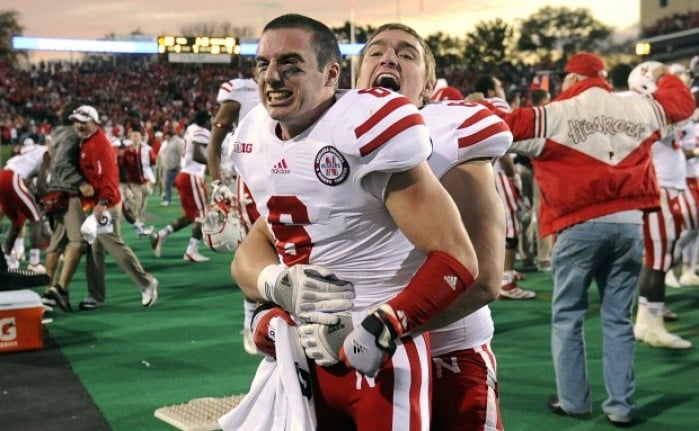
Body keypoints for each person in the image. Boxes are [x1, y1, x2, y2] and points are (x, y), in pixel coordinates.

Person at [225, 13, 478, 430]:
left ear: (331, 75)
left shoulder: (367, 126)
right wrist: (277, 286)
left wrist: (380, 328)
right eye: (263, 64)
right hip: (302, 351)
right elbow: (252, 249)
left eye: (290, 64)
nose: (272, 77)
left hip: (381, 356)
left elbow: (457, 259)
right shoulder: (255, 134)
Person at [503, 52, 695, 426]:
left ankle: (574, 401)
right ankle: (621, 406)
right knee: (618, 319)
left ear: (573, 79)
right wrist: (664, 73)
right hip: (630, 225)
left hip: (579, 226)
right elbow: (681, 103)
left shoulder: (554, 114)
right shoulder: (639, 108)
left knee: (568, 316)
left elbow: (499, 127)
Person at [353, 23, 509, 431]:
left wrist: (379, 329)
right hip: (350, 354)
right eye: (376, 51)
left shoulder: (451, 133)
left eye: (406, 54)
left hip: (447, 353)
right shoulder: (325, 135)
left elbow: (486, 278)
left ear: (429, 86)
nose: (389, 58)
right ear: (354, 76)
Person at [627, 62, 693, 349]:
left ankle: (646, 321)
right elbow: (684, 108)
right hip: (658, 189)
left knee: (660, 259)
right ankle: (652, 325)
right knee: (658, 260)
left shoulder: (653, 107)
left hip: (667, 187)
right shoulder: (648, 110)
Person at [71, 105, 159, 309]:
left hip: (105, 204)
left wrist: (102, 203)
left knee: (114, 246)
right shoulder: (89, 141)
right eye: (76, 121)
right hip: (99, 203)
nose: (79, 125)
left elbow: (109, 177)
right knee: (95, 249)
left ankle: (146, 283)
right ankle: (95, 295)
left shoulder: (98, 145)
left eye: (83, 122)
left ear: (94, 123)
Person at [207, 77, 261, 355]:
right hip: (252, 179)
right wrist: (218, 186)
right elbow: (214, 142)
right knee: (254, 250)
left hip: (290, 171)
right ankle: (250, 318)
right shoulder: (240, 89)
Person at [474, 73, 536, 299]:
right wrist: (513, 173)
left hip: (481, 172)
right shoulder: (495, 105)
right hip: (498, 172)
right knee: (510, 225)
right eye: (499, 85)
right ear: (490, 91)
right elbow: (501, 144)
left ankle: (500, 272)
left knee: (493, 225)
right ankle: (505, 279)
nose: (502, 89)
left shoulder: (475, 105)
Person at [39, 101, 90, 312]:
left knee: (57, 242)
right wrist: (81, 182)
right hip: (68, 192)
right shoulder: (71, 134)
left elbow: (51, 159)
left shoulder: (58, 132)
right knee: (78, 242)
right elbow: (61, 163)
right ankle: (60, 289)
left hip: (55, 191)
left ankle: (47, 293)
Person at [150, 110, 211, 262]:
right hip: (192, 176)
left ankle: (161, 235)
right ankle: (191, 250)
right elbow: (197, 154)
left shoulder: (191, 129)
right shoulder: (201, 130)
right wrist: (214, 164)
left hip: (184, 175)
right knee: (203, 214)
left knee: (191, 216)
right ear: (205, 121)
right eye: (210, 120)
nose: (211, 122)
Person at [0, 135, 48, 274]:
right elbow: (41, 183)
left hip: (4, 175)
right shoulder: (47, 152)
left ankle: (6, 258)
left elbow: (28, 177)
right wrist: (43, 198)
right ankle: (34, 262)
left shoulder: (33, 151)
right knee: (36, 218)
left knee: (17, 222)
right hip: (12, 178)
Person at [117, 129, 155, 237]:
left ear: (140, 138)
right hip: (133, 181)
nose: (136, 139)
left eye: (137, 136)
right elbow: (123, 165)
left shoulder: (146, 149)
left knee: (145, 195)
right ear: (131, 138)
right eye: (134, 137)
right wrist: (124, 181)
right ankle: (138, 222)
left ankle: (138, 218)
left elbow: (153, 161)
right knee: (137, 201)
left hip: (145, 179)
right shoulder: (127, 151)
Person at [158, 129, 184, 207]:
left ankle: (168, 200)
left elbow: (181, 154)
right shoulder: (170, 142)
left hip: (175, 167)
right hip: (170, 167)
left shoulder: (177, 142)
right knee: (168, 184)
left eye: (166, 136)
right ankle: (168, 199)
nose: (165, 138)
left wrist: (181, 165)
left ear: (169, 135)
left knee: (171, 185)